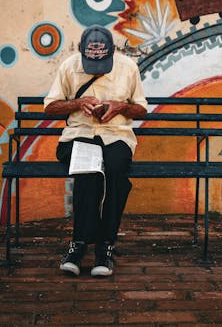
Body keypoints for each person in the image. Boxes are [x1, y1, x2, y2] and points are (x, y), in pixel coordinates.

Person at [44, 25, 147, 277]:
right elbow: (50, 107)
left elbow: (141, 109)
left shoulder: (128, 67)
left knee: (116, 174)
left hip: (116, 135)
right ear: (82, 52)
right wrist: (77, 103)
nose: (97, 69)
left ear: (112, 53)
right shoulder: (69, 66)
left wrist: (121, 107)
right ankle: (78, 244)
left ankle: (105, 246)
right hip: (78, 134)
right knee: (87, 172)